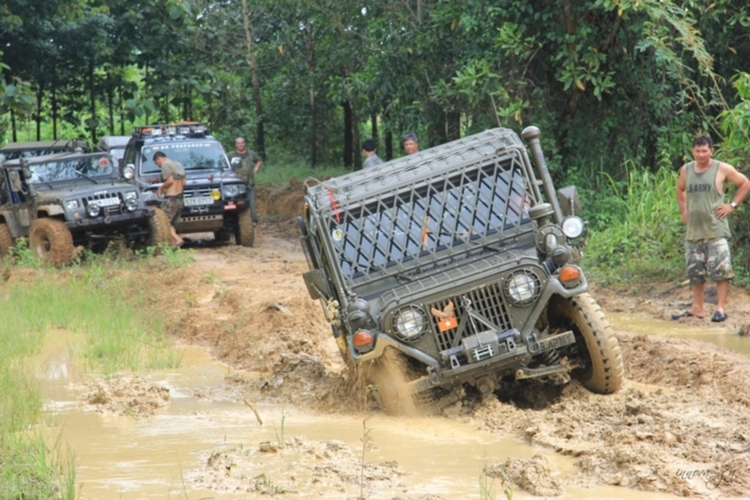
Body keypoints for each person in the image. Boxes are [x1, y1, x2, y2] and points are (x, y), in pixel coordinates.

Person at [671, 134, 750, 322]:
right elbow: (680, 189)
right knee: (695, 271)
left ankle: (721, 309)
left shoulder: (721, 168)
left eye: (704, 151)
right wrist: (683, 210)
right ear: (692, 151)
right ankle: (697, 308)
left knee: (721, 270)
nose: (700, 154)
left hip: (716, 229)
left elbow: (745, 183)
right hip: (694, 230)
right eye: (697, 151)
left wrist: (732, 206)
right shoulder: (686, 170)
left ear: (711, 151)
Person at [153, 151, 187, 248]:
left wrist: (161, 188)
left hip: (171, 199)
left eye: (157, 163)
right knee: (172, 223)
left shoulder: (165, 165)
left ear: (159, 158)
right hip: (180, 198)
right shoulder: (178, 164)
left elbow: (170, 181)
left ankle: (178, 239)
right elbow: (184, 183)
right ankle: (172, 244)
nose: (158, 166)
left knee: (163, 222)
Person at [227, 137, 263, 223]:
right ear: (236, 145)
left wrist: (256, 168)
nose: (240, 145)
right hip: (236, 184)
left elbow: (259, 160)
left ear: (245, 143)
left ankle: (253, 220)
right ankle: (235, 221)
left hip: (250, 183)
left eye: (242, 143)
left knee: (252, 202)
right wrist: (231, 174)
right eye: (238, 143)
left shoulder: (250, 154)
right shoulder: (230, 155)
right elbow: (224, 164)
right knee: (236, 203)